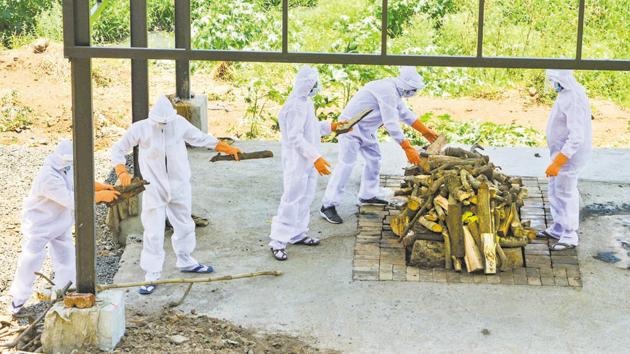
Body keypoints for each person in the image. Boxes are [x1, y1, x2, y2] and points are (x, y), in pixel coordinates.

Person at [111, 95, 241, 294]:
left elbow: (201, 138)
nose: (163, 125)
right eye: (160, 122)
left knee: (185, 224)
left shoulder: (179, 124)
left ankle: (186, 260)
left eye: (166, 122)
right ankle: (152, 274)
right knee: (153, 232)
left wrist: (227, 148)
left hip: (179, 186)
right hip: (154, 188)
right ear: (153, 118)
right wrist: (122, 171)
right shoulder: (141, 128)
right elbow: (118, 149)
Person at [8, 140, 120, 314]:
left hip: (60, 221)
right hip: (40, 224)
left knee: (66, 256)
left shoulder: (67, 165)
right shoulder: (48, 176)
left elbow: (79, 182)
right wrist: (100, 196)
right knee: (31, 260)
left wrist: (99, 186)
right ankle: (18, 298)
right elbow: (71, 198)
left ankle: (66, 290)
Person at [320, 66, 438, 224]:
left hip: (366, 130)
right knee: (346, 165)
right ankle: (328, 205)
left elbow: (405, 114)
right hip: (350, 129)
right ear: (406, 86)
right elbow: (390, 123)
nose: (413, 94)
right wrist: (407, 148)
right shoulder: (387, 90)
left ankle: (367, 195)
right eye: (413, 90)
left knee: (374, 159)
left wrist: (425, 131)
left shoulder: (394, 92)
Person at [268, 65, 348, 261]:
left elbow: (311, 129)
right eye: (314, 84)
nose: (317, 87)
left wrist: (333, 126)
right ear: (307, 85)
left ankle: (297, 233)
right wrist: (316, 158)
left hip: (308, 159)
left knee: (306, 196)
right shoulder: (295, 106)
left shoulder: (306, 103)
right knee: (291, 198)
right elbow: (295, 138)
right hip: (297, 160)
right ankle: (278, 241)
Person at [537, 69, 592, 251]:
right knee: (555, 188)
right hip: (560, 154)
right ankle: (558, 226)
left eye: (553, 79)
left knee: (565, 192)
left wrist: (558, 162)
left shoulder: (573, 98)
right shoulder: (566, 93)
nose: (552, 83)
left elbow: (576, 137)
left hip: (569, 158)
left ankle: (570, 233)